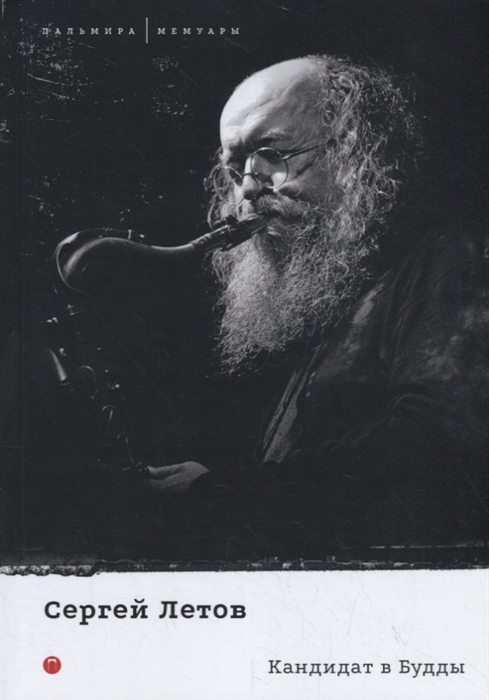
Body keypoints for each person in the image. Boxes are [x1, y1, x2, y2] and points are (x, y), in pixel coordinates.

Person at [144, 55, 488, 559]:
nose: (247, 189)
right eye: (235, 169)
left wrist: (229, 489)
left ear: (357, 151)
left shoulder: (451, 259)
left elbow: (440, 442)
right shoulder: (346, 289)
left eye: (271, 153)